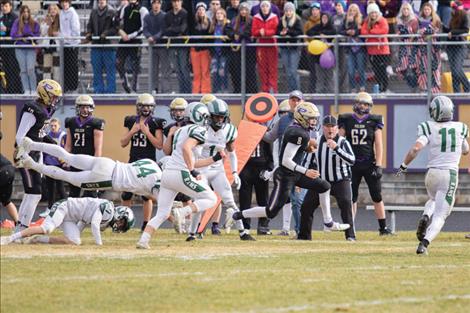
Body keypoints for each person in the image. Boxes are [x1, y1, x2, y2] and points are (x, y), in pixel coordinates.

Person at [137, 102, 254, 249]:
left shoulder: (181, 130)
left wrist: (215, 159)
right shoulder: (199, 130)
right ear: (200, 116)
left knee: (162, 213)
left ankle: (143, 240)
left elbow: (191, 158)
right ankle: (182, 212)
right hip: (181, 173)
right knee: (210, 198)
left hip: (167, 174)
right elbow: (187, 150)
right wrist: (192, 170)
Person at [233, 102, 331, 225]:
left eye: (314, 119)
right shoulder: (297, 133)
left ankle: (328, 221)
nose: (314, 122)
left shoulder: (299, 130)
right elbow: (286, 160)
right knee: (271, 212)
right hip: (285, 175)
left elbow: (295, 149)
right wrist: (306, 171)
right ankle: (238, 215)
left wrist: (306, 148)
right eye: (311, 119)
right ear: (302, 118)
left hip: (295, 173)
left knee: (324, 186)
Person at [396, 96, 469, 255]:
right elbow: (466, 150)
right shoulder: (461, 128)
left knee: (434, 199)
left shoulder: (428, 127)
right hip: (449, 173)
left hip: (431, 174)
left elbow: (415, 149)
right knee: (441, 215)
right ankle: (424, 244)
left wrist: (403, 166)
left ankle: (425, 215)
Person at [186, 99, 253, 240]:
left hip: (217, 170)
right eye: (216, 116)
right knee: (200, 200)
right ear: (209, 116)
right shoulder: (200, 129)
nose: (219, 119)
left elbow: (232, 152)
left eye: (222, 116)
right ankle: (192, 233)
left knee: (229, 200)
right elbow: (191, 151)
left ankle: (243, 232)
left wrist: (234, 172)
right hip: (201, 168)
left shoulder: (229, 130)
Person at [338, 92, 392, 235]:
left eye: (365, 104)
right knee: (352, 197)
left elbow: (379, 144)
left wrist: (379, 165)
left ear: (370, 106)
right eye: (360, 103)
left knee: (376, 195)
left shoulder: (374, 121)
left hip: (369, 163)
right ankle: (351, 227)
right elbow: (339, 141)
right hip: (351, 164)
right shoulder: (346, 120)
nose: (362, 106)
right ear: (355, 104)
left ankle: (383, 228)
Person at [14, 79, 62, 232]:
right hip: (26, 154)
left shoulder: (45, 109)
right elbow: (20, 137)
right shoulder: (33, 109)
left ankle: (20, 227)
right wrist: (24, 156)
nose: (55, 99)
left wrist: (53, 144)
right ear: (45, 94)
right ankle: (22, 228)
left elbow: (41, 133)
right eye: (53, 96)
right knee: (34, 192)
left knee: (33, 193)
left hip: (36, 153)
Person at [299, 115, 355, 241]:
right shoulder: (316, 141)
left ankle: (350, 236)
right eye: (327, 127)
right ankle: (304, 236)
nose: (330, 130)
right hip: (322, 181)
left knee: (346, 204)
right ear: (323, 128)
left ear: (337, 128)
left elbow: (352, 160)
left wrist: (337, 148)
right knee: (306, 206)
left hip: (341, 180)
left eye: (333, 127)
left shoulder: (343, 142)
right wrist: (300, 180)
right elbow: (307, 161)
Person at [1, 199, 134, 246]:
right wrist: (99, 244)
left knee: (75, 242)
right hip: (65, 207)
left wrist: (76, 234)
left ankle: (38, 239)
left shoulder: (107, 221)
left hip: (71, 217)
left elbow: (84, 221)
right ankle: (10, 238)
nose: (120, 225)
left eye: (123, 225)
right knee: (47, 228)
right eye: (122, 222)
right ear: (119, 214)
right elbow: (93, 224)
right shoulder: (108, 209)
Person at [120, 93, 165, 231]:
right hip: (133, 160)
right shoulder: (131, 121)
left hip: (149, 162)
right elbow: (123, 143)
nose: (146, 108)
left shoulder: (156, 122)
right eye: (143, 106)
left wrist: (147, 132)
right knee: (126, 193)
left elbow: (159, 145)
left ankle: (146, 223)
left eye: (148, 106)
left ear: (153, 107)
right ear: (138, 107)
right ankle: (124, 221)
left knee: (147, 195)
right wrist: (132, 131)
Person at [65, 95, 105, 198]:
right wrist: (65, 159)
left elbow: (98, 148)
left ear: (92, 108)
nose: (85, 110)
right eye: (82, 107)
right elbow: (68, 145)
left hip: (89, 162)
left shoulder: (96, 123)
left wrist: (96, 165)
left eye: (87, 107)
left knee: (90, 194)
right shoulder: (71, 122)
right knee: (73, 193)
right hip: (75, 160)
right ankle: (74, 214)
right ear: (78, 108)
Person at [85, 0, 118, 93]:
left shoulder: (112, 12)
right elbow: (89, 25)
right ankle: (98, 90)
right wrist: (89, 33)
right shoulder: (94, 12)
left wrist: (106, 33)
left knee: (110, 70)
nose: (101, 1)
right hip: (96, 45)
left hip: (109, 46)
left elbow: (116, 28)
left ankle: (110, 91)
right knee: (96, 70)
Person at [117, 0, 149, 93]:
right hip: (124, 40)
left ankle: (135, 89)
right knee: (118, 62)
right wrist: (120, 31)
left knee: (135, 65)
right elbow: (117, 21)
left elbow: (143, 28)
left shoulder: (142, 10)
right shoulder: (125, 8)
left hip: (135, 41)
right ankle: (126, 85)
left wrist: (130, 36)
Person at [361, 3, 391, 93]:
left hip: (382, 51)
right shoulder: (367, 21)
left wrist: (371, 32)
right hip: (372, 51)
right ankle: (379, 88)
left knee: (382, 70)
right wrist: (375, 33)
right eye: (371, 13)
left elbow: (384, 30)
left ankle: (385, 88)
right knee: (376, 71)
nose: (373, 14)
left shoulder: (382, 20)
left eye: (375, 12)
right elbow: (363, 32)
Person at [10, 5, 40, 94]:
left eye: (27, 12)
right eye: (24, 12)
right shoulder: (17, 22)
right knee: (23, 70)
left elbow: (37, 34)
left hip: (30, 48)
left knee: (30, 69)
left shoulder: (34, 23)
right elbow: (13, 35)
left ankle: (34, 89)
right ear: (21, 13)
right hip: (20, 49)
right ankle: (26, 89)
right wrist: (22, 37)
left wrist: (30, 36)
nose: (26, 13)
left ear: (29, 13)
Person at [230, 2, 258, 93]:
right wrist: (233, 35)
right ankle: (238, 90)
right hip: (237, 49)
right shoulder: (234, 20)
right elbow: (228, 29)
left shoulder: (252, 20)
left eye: (245, 10)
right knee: (236, 71)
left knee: (250, 71)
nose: (243, 11)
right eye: (242, 9)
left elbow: (250, 31)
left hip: (249, 50)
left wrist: (239, 35)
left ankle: (251, 91)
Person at [413, 2, 442, 93]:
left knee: (434, 68)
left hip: (433, 48)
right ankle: (424, 87)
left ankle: (434, 88)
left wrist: (426, 31)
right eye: (425, 9)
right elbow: (416, 32)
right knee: (423, 68)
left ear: (431, 10)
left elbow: (437, 32)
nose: (426, 11)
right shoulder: (418, 20)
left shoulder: (436, 20)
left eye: (428, 9)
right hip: (422, 48)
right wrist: (423, 32)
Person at [252, 1, 279, 93]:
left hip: (271, 45)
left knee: (272, 67)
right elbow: (254, 31)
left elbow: (275, 30)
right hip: (261, 46)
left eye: (266, 6)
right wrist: (260, 32)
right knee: (262, 68)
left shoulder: (274, 17)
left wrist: (266, 32)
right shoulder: (256, 18)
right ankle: (265, 89)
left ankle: (273, 88)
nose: (264, 8)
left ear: (269, 7)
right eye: (263, 6)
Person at [143, 0, 170, 93]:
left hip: (162, 46)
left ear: (161, 4)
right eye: (154, 3)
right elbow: (145, 29)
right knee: (153, 70)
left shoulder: (164, 16)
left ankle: (165, 90)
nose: (156, 5)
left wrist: (154, 37)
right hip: (152, 48)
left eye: (158, 3)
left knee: (165, 70)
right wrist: (149, 37)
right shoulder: (147, 17)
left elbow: (163, 30)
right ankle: (154, 89)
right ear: (151, 4)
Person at [164, 0, 191, 93]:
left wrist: (172, 29)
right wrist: (176, 30)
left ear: (181, 2)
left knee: (184, 68)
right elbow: (165, 31)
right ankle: (181, 90)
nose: (176, 3)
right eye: (174, 1)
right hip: (171, 45)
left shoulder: (185, 13)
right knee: (177, 70)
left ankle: (187, 91)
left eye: (178, 1)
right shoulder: (168, 15)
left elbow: (183, 29)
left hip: (182, 45)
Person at [444, 1, 470, 93]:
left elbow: (466, 30)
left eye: (454, 8)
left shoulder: (464, 15)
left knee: (456, 70)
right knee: (454, 72)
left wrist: (453, 32)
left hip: (460, 46)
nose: (453, 10)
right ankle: (456, 92)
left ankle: (467, 87)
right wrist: (443, 27)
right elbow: (450, 30)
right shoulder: (452, 17)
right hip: (451, 46)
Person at [307, 12, 335, 93]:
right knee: (320, 78)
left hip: (329, 58)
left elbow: (334, 33)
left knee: (329, 78)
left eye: (326, 18)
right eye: (323, 18)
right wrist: (319, 34)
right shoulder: (318, 27)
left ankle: (331, 95)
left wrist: (325, 35)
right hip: (318, 58)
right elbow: (309, 32)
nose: (324, 19)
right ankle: (319, 94)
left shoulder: (332, 28)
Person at [277, 2, 303, 92]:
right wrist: (281, 33)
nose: (288, 12)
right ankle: (291, 91)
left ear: (293, 11)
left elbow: (299, 32)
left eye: (290, 10)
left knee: (293, 71)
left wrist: (288, 32)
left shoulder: (297, 20)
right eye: (287, 11)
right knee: (288, 72)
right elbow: (277, 31)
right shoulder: (281, 20)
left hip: (294, 48)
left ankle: (297, 90)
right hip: (284, 48)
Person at [341, 3, 366, 93]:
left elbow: (362, 31)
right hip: (350, 48)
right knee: (351, 70)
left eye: (354, 10)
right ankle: (353, 88)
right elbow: (340, 31)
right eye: (350, 10)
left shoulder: (362, 19)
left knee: (360, 69)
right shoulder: (346, 20)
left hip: (360, 48)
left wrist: (354, 32)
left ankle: (362, 87)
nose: (352, 12)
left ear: (357, 11)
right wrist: (348, 31)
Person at [43, 118, 67, 211]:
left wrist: (65, 162)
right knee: (50, 188)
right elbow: (44, 150)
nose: (53, 127)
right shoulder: (47, 135)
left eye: (55, 125)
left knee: (60, 187)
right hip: (49, 164)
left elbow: (66, 149)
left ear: (59, 126)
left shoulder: (63, 136)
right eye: (51, 126)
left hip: (59, 164)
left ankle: (66, 207)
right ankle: (50, 208)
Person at [395, 1, 419, 92]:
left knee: (413, 68)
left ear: (410, 10)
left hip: (412, 47)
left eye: (407, 9)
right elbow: (398, 33)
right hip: (402, 47)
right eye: (404, 9)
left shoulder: (414, 20)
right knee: (403, 68)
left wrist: (408, 37)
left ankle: (415, 87)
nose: (405, 10)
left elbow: (415, 33)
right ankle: (412, 85)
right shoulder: (398, 20)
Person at [0, 0, 23, 94]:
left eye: (5, 6)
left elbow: (17, 32)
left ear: (10, 6)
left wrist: (7, 29)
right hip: (4, 48)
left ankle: (16, 91)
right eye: (2, 6)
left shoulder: (15, 18)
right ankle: (8, 90)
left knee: (14, 69)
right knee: (6, 70)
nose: (3, 8)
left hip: (13, 48)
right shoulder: (1, 19)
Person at [190, 2, 212, 94]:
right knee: (196, 73)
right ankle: (195, 91)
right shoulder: (193, 22)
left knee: (205, 72)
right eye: (199, 9)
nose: (201, 11)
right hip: (195, 50)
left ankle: (205, 91)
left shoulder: (209, 23)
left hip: (205, 50)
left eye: (202, 9)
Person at [210, 8, 233, 93]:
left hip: (224, 52)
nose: (219, 15)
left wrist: (227, 24)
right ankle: (216, 90)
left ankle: (224, 89)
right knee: (215, 72)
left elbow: (230, 35)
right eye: (217, 13)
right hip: (215, 52)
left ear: (224, 15)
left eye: (221, 13)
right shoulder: (213, 26)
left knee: (222, 72)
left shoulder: (227, 25)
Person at [59, 0, 80, 92]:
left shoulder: (72, 13)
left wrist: (72, 40)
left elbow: (75, 28)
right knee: (65, 66)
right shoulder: (61, 13)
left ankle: (73, 87)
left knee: (72, 66)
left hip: (72, 44)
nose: (64, 4)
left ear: (69, 3)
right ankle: (66, 87)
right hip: (64, 44)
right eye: (62, 2)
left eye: (66, 2)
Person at [39, 4, 61, 82]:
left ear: (57, 10)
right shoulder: (45, 21)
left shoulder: (60, 20)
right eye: (51, 9)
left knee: (56, 69)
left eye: (54, 9)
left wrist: (57, 33)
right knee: (47, 68)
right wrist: (48, 24)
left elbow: (62, 33)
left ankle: (57, 87)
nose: (52, 10)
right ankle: (46, 87)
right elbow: (43, 33)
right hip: (47, 47)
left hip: (57, 48)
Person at [303, 2, 321, 93]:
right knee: (312, 72)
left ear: (319, 11)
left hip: (322, 52)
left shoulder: (322, 21)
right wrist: (307, 44)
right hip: (311, 51)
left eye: (316, 10)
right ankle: (311, 91)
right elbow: (305, 36)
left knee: (321, 72)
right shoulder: (308, 23)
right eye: (313, 10)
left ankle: (322, 90)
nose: (314, 12)